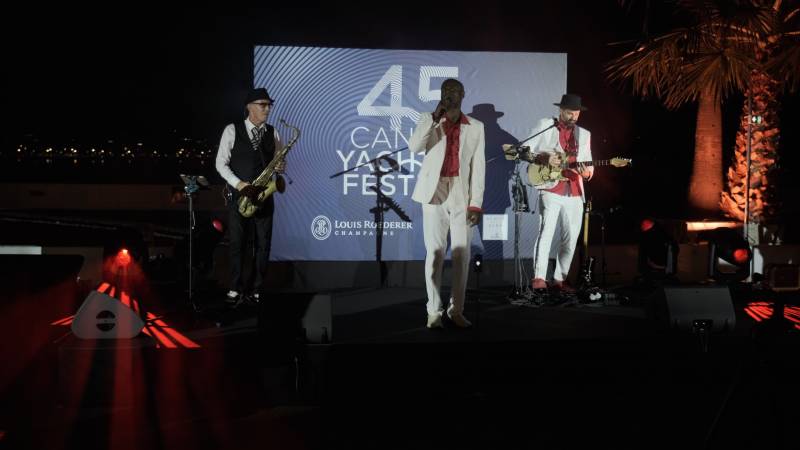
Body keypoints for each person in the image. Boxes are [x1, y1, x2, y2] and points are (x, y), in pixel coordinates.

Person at [409, 79, 485, 329]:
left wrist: (476, 204)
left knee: (462, 254)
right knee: (435, 252)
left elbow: (478, 169)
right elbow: (414, 147)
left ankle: (457, 310)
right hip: (434, 192)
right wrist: (433, 119)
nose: (448, 95)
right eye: (444, 92)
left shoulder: (476, 127)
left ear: (463, 94)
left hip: (460, 193)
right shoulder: (429, 119)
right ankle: (433, 311)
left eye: (453, 91)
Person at [512, 94, 593, 294]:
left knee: (571, 237)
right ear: (561, 110)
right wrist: (545, 157)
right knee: (546, 231)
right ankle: (539, 277)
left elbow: (589, 165)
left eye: (576, 112)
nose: (573, 115)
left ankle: (560, 279)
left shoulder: (584, 134)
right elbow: (525, 151)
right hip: (551, 186)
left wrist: (587, 172)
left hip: (574, 190)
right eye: (569, 112)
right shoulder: (546, 125)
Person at [215, 87, 286, 305]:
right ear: (249, 107)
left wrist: (280, 167)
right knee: (238, 243)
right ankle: (235, 288)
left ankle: (257, 289)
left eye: (269, 105)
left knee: (264, 244)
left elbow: (278, 162)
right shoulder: (232, 130)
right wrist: (240, 184)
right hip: (241, 196)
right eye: (262, 104)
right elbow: (220, 163)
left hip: (264, 196)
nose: (267, 109)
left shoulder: (273, 132)